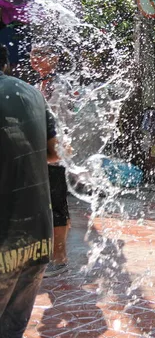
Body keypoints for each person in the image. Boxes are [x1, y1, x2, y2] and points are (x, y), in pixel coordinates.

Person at [0, 44, 60, 336]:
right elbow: (55, 151)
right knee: (12, 327)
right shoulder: (32, 92)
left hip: (3, 234)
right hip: (37, 235)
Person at [30, 44, 71, 277]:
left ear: (54, 58)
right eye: (33, 53)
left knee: (57, 205)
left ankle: (60, 258)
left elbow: (62, 120)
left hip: (56, 152)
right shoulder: (37, 85)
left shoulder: (60, 86)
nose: (36, 59)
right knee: (47, 204)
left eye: (42, 54)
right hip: (42, 152)